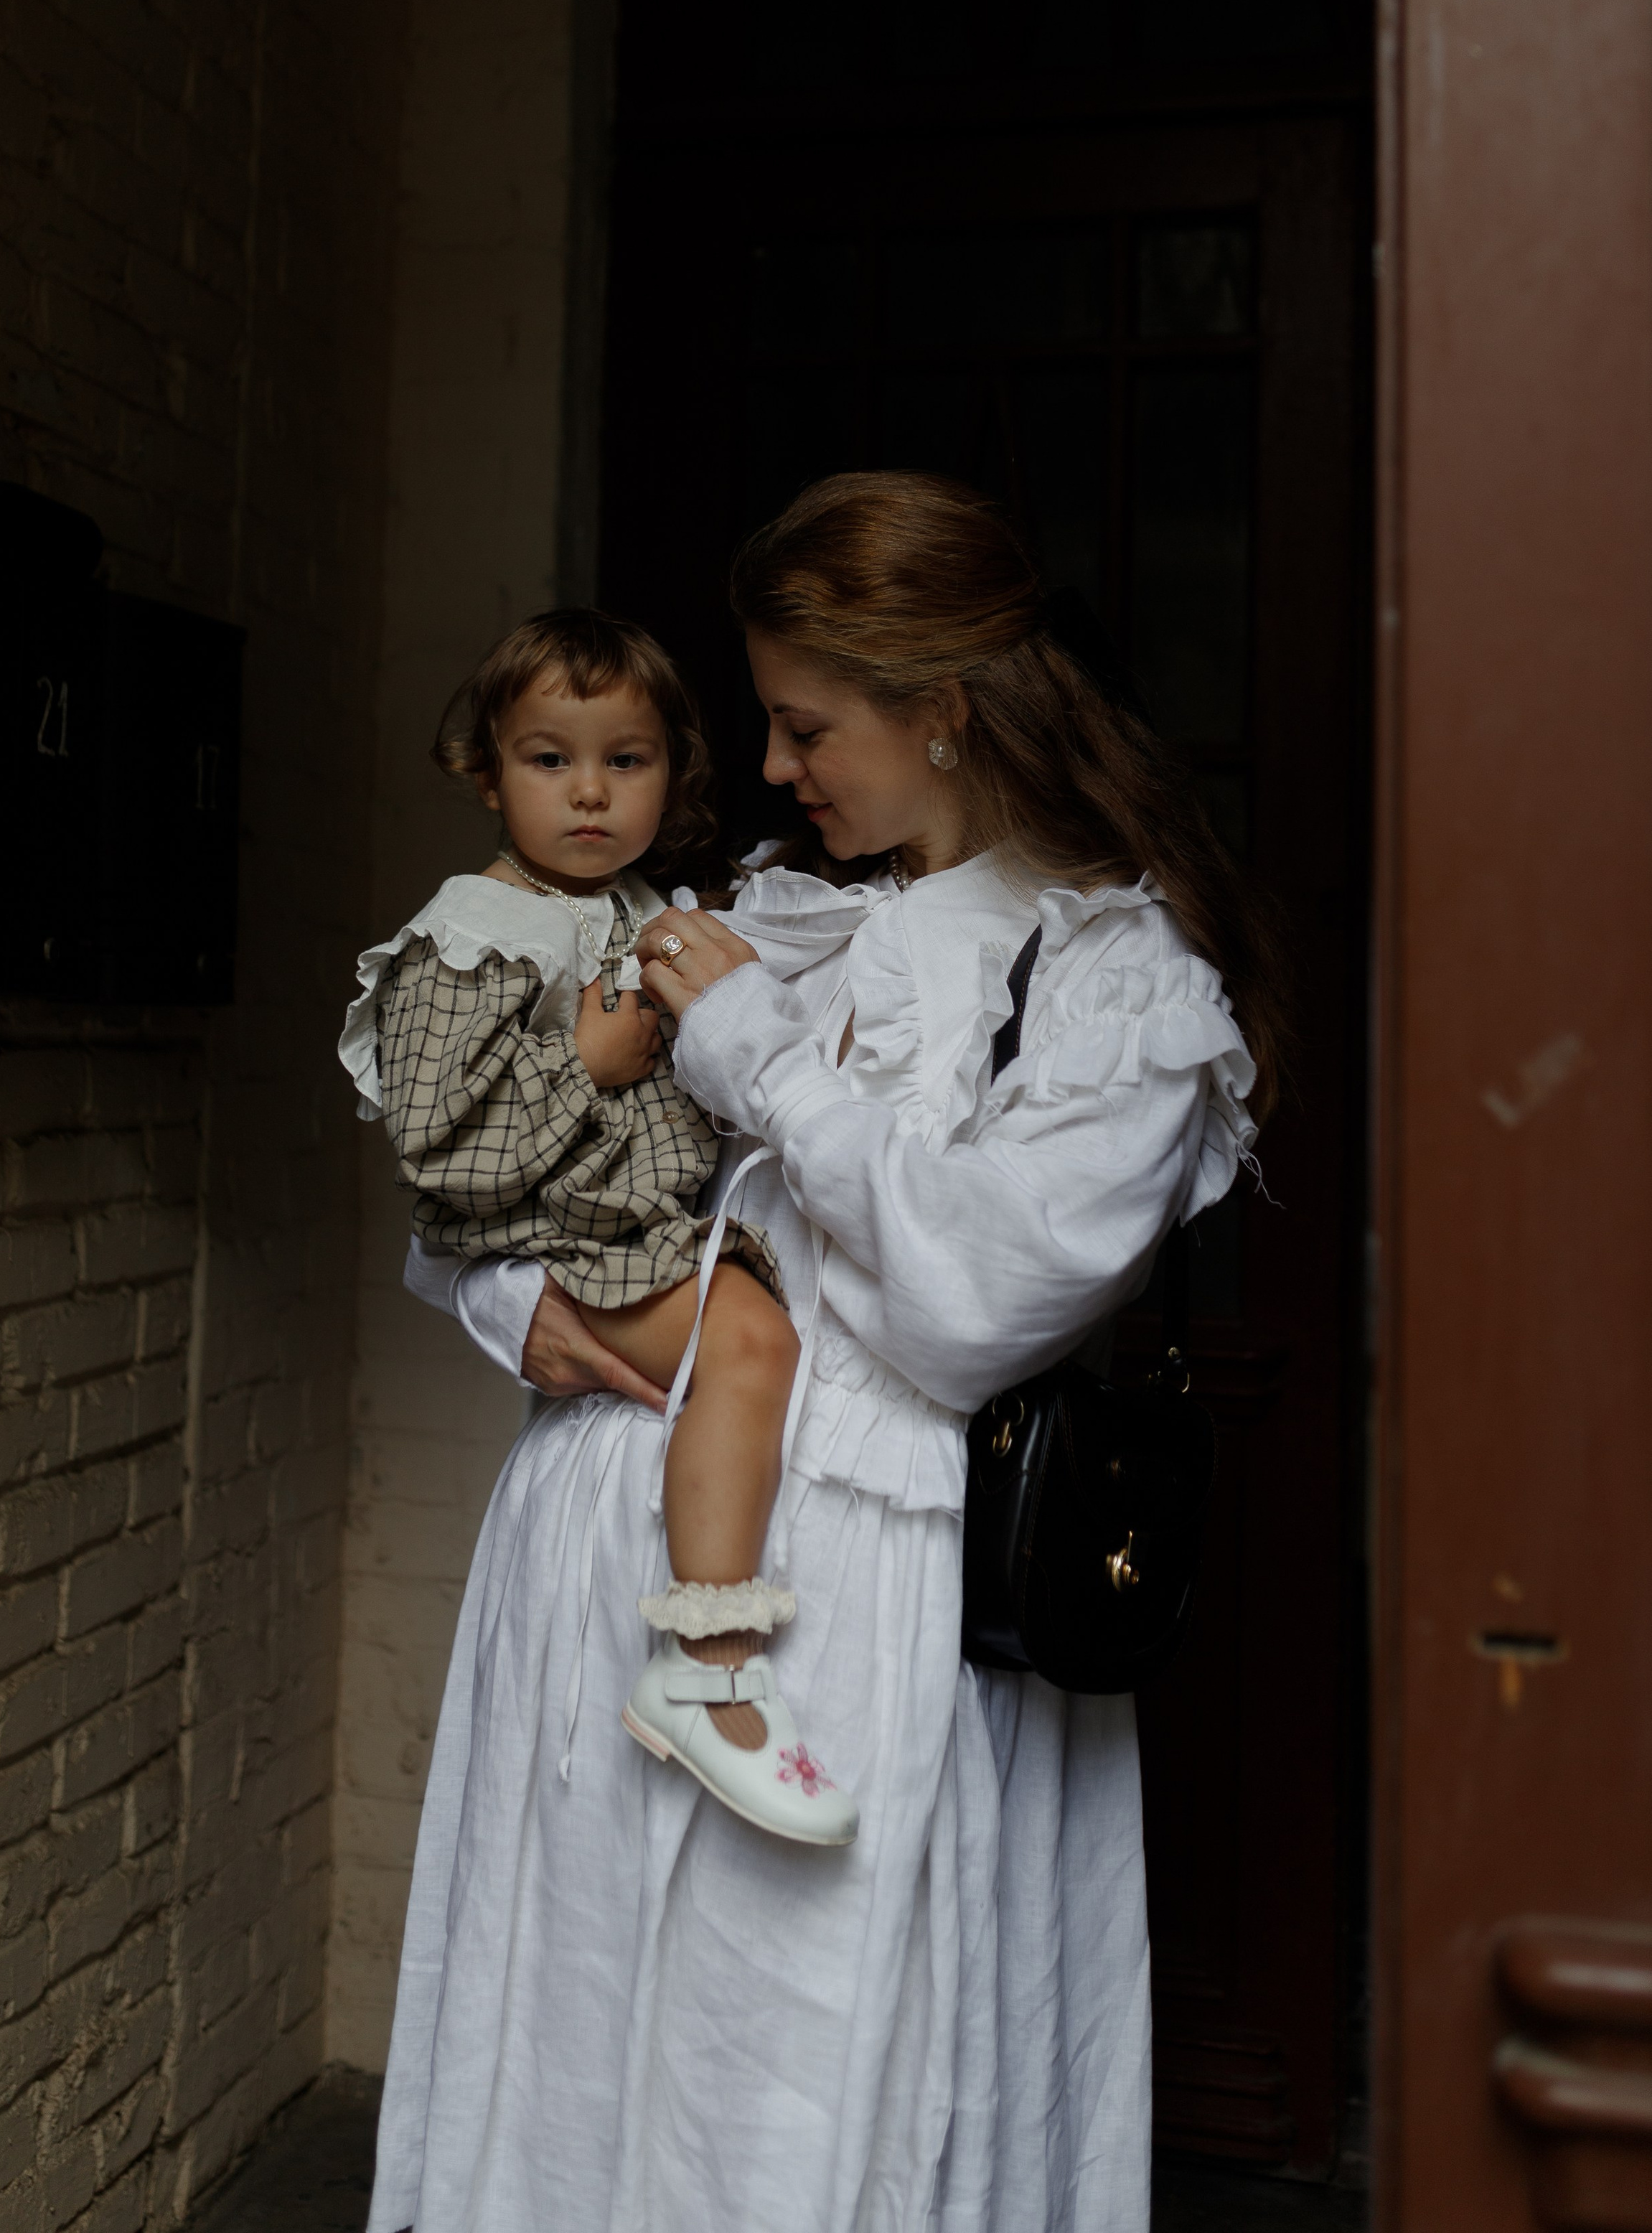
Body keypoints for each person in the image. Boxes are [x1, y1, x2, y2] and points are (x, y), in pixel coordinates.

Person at [365, 473, 1282, 2233]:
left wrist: (757, 1056)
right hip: (592, 1573)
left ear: (939, 708)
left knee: (778, 2106)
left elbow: (966, 1310)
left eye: (805, 724)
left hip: (858, 1621)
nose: (773, 771)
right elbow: (492, 1173)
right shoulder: (779, 907)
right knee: (571, 2070)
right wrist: (512, 1311)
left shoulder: (1111, 978)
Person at [339, 609, 858, 1845]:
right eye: (547, 759)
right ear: (486, 774)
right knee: (751, 1349)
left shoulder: (640, 911)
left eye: (625, 761)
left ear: (672, 771)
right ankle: (712, 1664)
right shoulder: (469, 937)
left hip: (638, 1221)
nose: (588, 794)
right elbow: (436, 1146)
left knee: (755, 1345)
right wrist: (585, 1060)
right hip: (579, 1237)